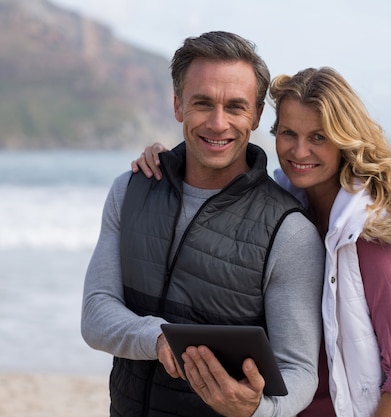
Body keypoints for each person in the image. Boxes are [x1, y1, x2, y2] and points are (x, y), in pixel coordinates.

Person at [133, 67, 391, 416]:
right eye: (288, 133)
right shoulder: (286, 213)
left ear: (345, 140)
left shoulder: (369, 239)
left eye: (319, 137)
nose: (299, 150)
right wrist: (166, 163)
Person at [81, 31, 325, 417]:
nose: (217, 123)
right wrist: (158, 338)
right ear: (178, 105)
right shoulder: (130, 190)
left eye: (235, 107)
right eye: (202, 103)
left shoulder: (289, 231)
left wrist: (257, 408)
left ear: (257, 114)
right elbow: (96, 314)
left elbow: (299, 370)